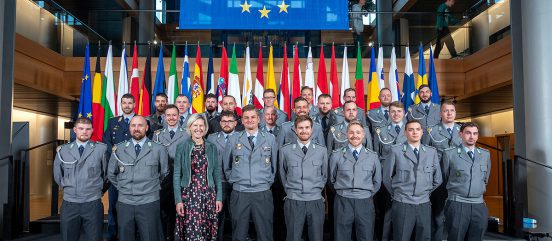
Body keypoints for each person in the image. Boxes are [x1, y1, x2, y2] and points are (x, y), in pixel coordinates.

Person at [108, 115, 169, 241]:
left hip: (149, 201)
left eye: (140, 125)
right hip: (125, 202)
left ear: (147, 128)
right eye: (133, 125)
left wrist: (151, 187)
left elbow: (164, 173)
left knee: (150, 236)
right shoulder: (118, 149)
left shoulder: (159, 148)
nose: (136, 128)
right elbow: (111, 174)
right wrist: (122, 187)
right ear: (129, 128)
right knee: (125, 237)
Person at [223, 105, 278, 241]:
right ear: (241, 120)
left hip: (262, 192)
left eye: (253, 117)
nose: (250, 120)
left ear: (259, 119)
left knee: (265, 233)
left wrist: (265, 182)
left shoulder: (270, 139)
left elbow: (274, 166)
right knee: (239, 234)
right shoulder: (234, 139)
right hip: (240, 193)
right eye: (246, 118)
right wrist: (235, 181)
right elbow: (227, 166)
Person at [382, 119, 442, 241]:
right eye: (411, 129)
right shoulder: (396, 151)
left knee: (424, 237)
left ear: (422, 132)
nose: (414, 132)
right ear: (405, 133)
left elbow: (438, 179)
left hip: (424, 203)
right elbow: (386, 178)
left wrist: (425, 192)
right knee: (402, 237)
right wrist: (398, 194)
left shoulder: (431, 152)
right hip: (402, 203)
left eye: (417, 129)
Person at [53, 117, 108, 241]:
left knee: (95, 238)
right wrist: (68, 187)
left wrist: (98, 190)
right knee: (68, 238)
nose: (84, 131)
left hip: (92, 202)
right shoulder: (63, 150)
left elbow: (106, 175)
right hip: (70, 203)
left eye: (88, 129)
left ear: (92, 130)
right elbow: (57, 175)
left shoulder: (101, 149)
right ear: (75, 130)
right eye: (81, 128)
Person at [173, 114, 223, 241]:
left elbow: (216, 173)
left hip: (208, 194)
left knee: (206, 230)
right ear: (190, 127)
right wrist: (178, 200)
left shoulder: (211, 147)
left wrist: (219, 197)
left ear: (205, 127)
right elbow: (177, 175)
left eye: (201, 125)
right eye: (195, 125)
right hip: (189, 195)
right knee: (191, 231)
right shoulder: (182, 147)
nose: (198, 128)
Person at [329, 121, 381, 241]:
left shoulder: (373, 157)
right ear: (346, 134)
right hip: (343, 201)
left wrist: (366, 194)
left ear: (363, 135)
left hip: (365, 201)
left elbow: (377, 181)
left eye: (358, 132)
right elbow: (331, 179)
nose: (355, 135)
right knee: (341, 236)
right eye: (351, 132)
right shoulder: (336, 155)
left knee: (366, 236)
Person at [279, 115, 328, 241]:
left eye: (307, 127)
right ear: (295, 130)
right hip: (294, 200)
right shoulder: (286, 150)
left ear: (312, 130)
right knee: (293, 237)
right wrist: (290, 191)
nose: (304, 130)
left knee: (316, 237)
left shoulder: (322, 151)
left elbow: (325, 175)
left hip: (315, 200)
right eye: (300, 128)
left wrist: (316, 190)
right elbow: (282, 173)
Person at [442, 122, 490, 241]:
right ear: (460, 134)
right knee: (456, 237)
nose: (471, 136)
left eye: (475, 133)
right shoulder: (450, 154)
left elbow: (485, 178)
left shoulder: (485, 154)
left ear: (478, 136)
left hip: (479, 205)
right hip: (457, 203)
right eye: (468, 133)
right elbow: (445, 177)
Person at [152, 105, 191, 241]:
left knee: (178, 209)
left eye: (174, 115)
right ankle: (164, 236)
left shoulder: (187, 133)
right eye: (168, 115)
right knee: (162, 210)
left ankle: (177, 236)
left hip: (180, 176)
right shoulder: (157, 135)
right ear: (164, 117)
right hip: (163, 177)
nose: (171, 118)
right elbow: (153, 156)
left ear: (179, 116)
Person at [426, 101, 462, 241]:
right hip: (439, 178)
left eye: (452, 110)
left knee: (457, 214)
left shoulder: (462, 131)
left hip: (457, 179)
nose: (449, 113)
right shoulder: (432, 131)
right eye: (446, 111)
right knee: (438, 215)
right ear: (440, 113)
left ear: (455, 113)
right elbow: (426, 154)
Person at [103, 93, 136, 241]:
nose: (127, 105)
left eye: (130, 103)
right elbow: (107, 142)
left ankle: (133, 233)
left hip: (135, 169)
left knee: (134, 204)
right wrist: (118, 157)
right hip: (116, 170)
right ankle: (113, 234)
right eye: (124, 103)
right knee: (114, 204)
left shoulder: (140, 121)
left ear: (134, 104)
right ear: (121, 104)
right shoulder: (112, 122)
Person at [373, 101, 406, 241]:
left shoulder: (411, 130)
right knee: (383, 212)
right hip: (385, 178)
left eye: (399, 111)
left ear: (404, 113)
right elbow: (375, 156)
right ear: (389, 113)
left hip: (405, 178)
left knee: (404, 213)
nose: (396, 114)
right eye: (393, 111)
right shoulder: (380, 131)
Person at [206, 110, 239, 241]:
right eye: (224, 121)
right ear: (220, 123)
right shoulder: (211, 138)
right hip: (218, 182)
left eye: (230, 121)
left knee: (236, 216)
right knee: (217, 216)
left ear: (235, 123)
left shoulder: (241, 137)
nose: (227, 124)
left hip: (236, 182)